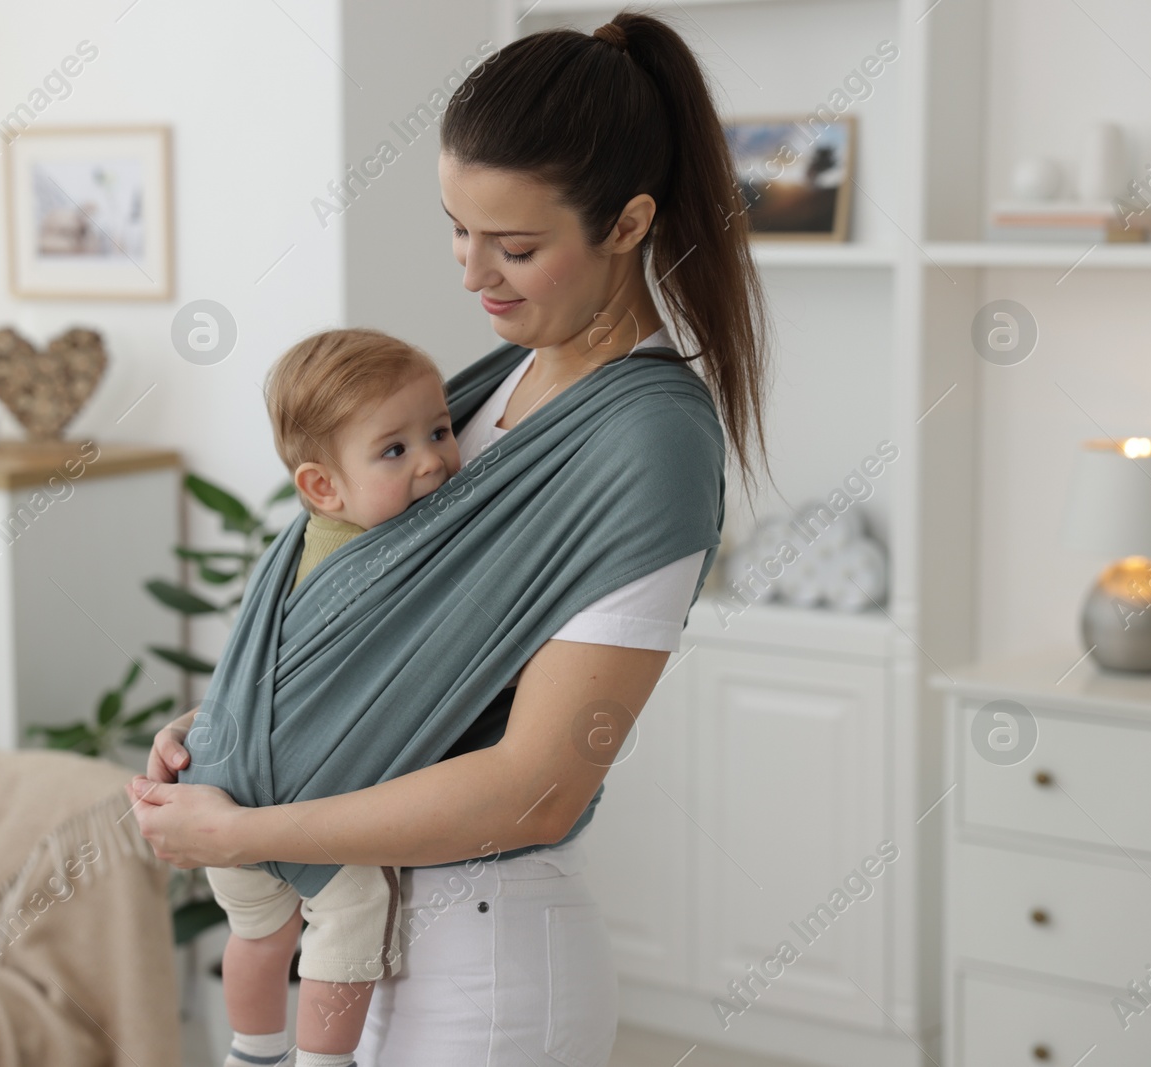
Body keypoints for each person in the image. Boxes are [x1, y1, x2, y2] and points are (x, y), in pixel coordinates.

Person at [129, 11, 772, 1065]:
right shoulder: (492, 385)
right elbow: (408, 645)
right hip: (362, 923)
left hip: (479, 960)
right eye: (458, 231)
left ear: (626, 223)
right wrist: (238, 729)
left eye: (516, 247)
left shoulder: (646, 439)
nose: (475, 273)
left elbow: (540, 780)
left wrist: (244, 832)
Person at [200, 326, 463, 1067]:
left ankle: (251, 1053)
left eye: (439, 429)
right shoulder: (386, 561)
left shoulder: (299, 548)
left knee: (258, 933)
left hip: (228, 776)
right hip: (308, 794)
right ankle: (324, 1061)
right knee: (347, 924)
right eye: (395, 450)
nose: (435, 460)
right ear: (323, 486)